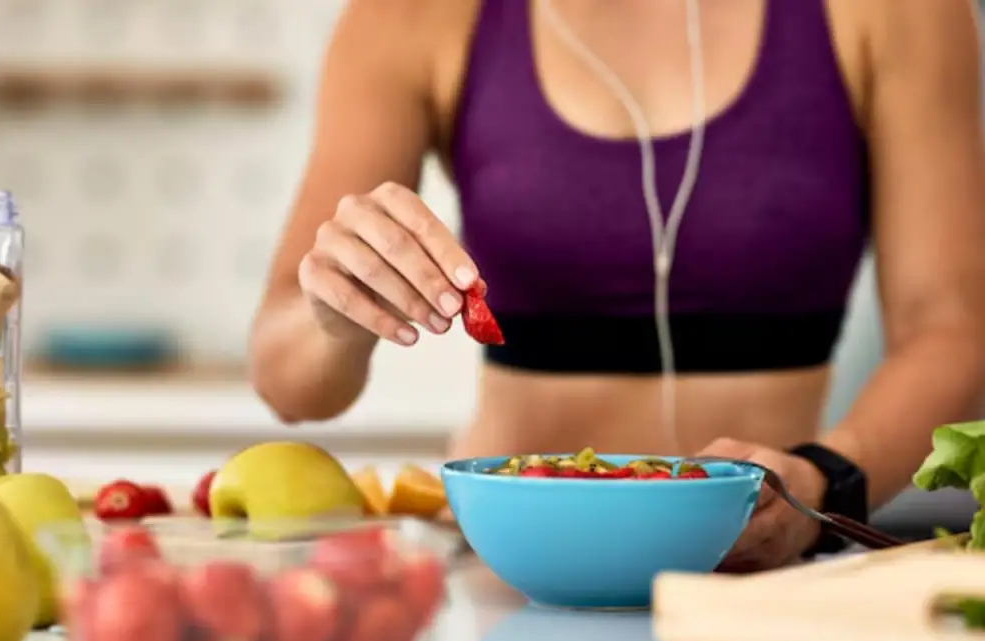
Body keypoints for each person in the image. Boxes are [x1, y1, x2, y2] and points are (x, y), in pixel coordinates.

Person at [249, 0, 985, 571]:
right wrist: (333, 315)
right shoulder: (415, 16)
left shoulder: (894, 11)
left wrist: (824, 483)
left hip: (765, 574)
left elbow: (951, 328)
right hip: (510, 576)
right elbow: (291, 382)